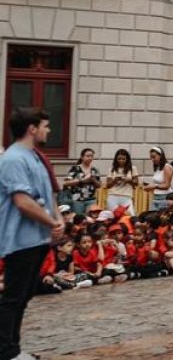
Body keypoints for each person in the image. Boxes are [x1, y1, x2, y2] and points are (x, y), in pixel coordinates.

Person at [0, 108, 65, 360]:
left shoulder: (36, 157)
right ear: (32, 128)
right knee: (13, 297)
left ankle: (13, 348)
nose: (48, 130)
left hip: (37, 238)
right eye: (45, 126)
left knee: (24, 295)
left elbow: (48, 194)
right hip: (20, 239)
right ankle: (6, 351)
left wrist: (57, 220)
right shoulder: (14, 159)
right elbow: (22, 201)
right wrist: (52, 222)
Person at [64, 148, 101, 215]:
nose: (90, 158)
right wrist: (82, 180)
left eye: (91, 156)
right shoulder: (75, 168)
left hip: (91, 199)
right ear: (82, 157)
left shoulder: (94, 170)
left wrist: (94, 180)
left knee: (90, 218)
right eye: (88, 156)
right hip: (77, 200)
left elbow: (99, 185)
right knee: (78, 218)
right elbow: (66, 183)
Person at [143, 147, 173, 211]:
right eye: (151, 158)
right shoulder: (158, 168)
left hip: (165, 198)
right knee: (151, 218)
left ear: (160, 155)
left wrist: (153, 186)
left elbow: (167, 185)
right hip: (156, 197)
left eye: (154, 157)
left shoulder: (167, 167)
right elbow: (159, 183)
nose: (152, 159)